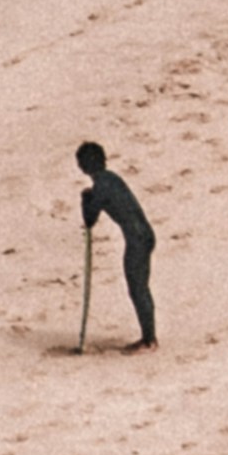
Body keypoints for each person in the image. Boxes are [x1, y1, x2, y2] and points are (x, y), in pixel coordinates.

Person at [76, 139, 156, 346]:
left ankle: (149, 339)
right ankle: (149, 337)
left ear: (83, 166)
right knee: (140, 287)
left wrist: (86, 199)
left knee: (138, 288)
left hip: (137, 239)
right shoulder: (111, 179)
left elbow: (89, 219)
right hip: (143, 235)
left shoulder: (102, 185)